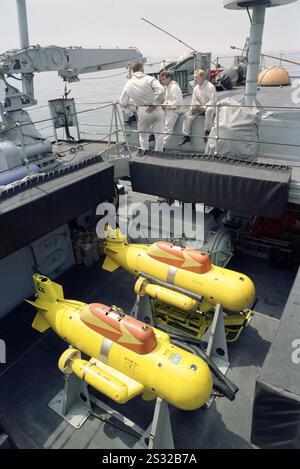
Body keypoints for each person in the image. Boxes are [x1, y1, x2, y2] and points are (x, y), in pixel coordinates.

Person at [119, 61, 165, 152]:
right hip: (156, 109)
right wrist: (154, 104)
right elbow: (162, 91)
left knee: (143, 136)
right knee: (159, 135)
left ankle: (145, 153)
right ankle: (158, 153)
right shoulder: (149, 79)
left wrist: (131, 107)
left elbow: (122, 101)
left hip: (142, 110)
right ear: (141, 68)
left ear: (133, 70)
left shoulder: (129, 83)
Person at [180, 69, 217, 145]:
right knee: (187, 115)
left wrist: (204, 106)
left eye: (196, 77)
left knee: (209, 110)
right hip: (200, 108)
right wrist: (195, 105)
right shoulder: (196, 88)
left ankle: (207, 132)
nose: (195, 79)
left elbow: (213, 101)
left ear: (202, 77)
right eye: (194, 77)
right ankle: (186, 136)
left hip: (208, 107)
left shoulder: (210, 87)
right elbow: (194, 100)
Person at [159, 71, 183, 149]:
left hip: (174, 110)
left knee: (167, 129)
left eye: (164, 79)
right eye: (161, 80)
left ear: (168, 78)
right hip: (168, 109)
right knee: (161, 126)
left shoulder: (174, 87)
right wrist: (164, 104)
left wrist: (166, 105)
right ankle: (160, 144)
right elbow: (167, 99)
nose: (162, 82)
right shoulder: (168, 87)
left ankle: (162, 146)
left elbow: (177, 103)